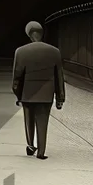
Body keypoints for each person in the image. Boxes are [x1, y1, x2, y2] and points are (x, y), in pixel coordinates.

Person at [12, 21, 65, 159]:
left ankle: (30, 145)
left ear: (29, 35)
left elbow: (16, 78)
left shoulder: (21, 51)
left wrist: (18, 95)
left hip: (27, 94)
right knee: (43, 122)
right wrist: (60, 98)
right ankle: (41, 152)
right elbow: (59, 77)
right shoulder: (54, 52)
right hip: (46, 94)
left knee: (28, 120)